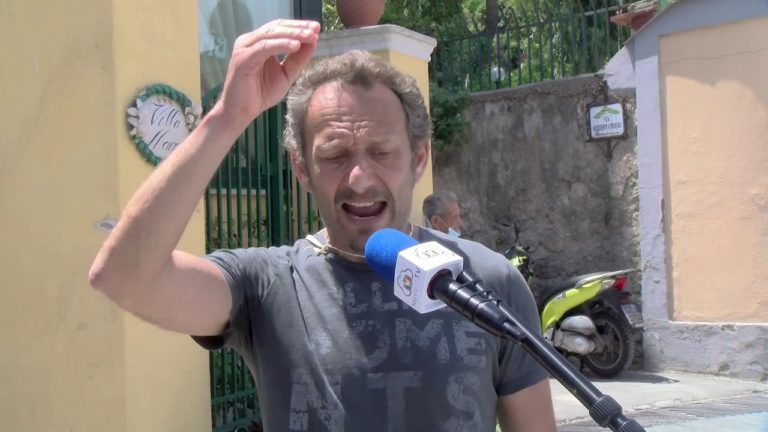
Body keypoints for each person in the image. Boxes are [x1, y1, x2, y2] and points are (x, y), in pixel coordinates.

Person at [89, 19, 556, 432]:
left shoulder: (487, 281)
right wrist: (228, 116)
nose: (359, 178)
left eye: (381, 152)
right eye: (334, 155)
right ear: (301, 169)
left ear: (418, 158)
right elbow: (124, 277)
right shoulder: (266, 284)